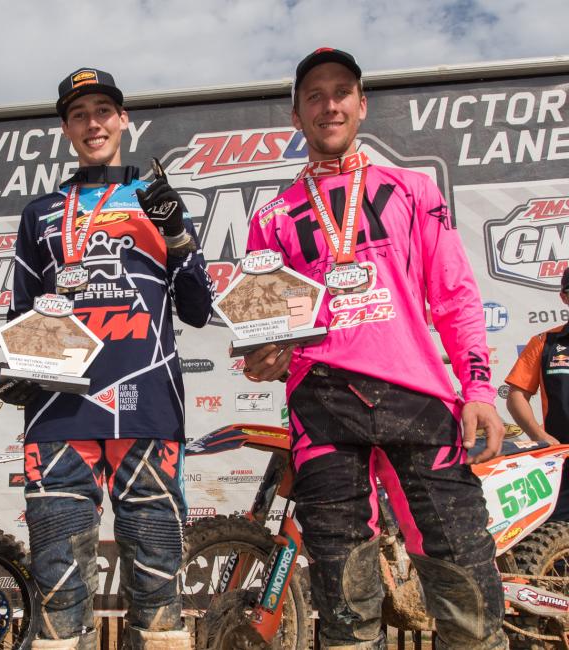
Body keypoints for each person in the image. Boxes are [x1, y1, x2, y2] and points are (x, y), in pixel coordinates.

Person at [243, 48, 507, 648]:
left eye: (341, 92)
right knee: (341, 586)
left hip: (420, 397)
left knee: (463, 564)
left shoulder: (413, 191)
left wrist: (479, 390)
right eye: (314, 95)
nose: (328, 104)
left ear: (362, 105)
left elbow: (457, 297)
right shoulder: (272, 216)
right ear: (296, 113)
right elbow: (262, 332)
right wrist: (262, 357)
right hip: (320, 400)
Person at [0, 68, 213, 650]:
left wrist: (180, 240)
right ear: (66, 127)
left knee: (157, 583)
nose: (93, 122)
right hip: (58, 412)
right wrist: (14, 366)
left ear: (123, 120)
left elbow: (197, 308)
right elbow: (21, 315)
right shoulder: (39, 212)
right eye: (79, 113)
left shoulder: (157, 201)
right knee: (59, 584)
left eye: (102, 110)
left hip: (148, 407)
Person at [505, 268, 569, 520]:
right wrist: (539, 436)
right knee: (557, 539)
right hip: (563, 459)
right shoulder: (545, 343)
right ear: (564, 297)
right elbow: (516, 395)